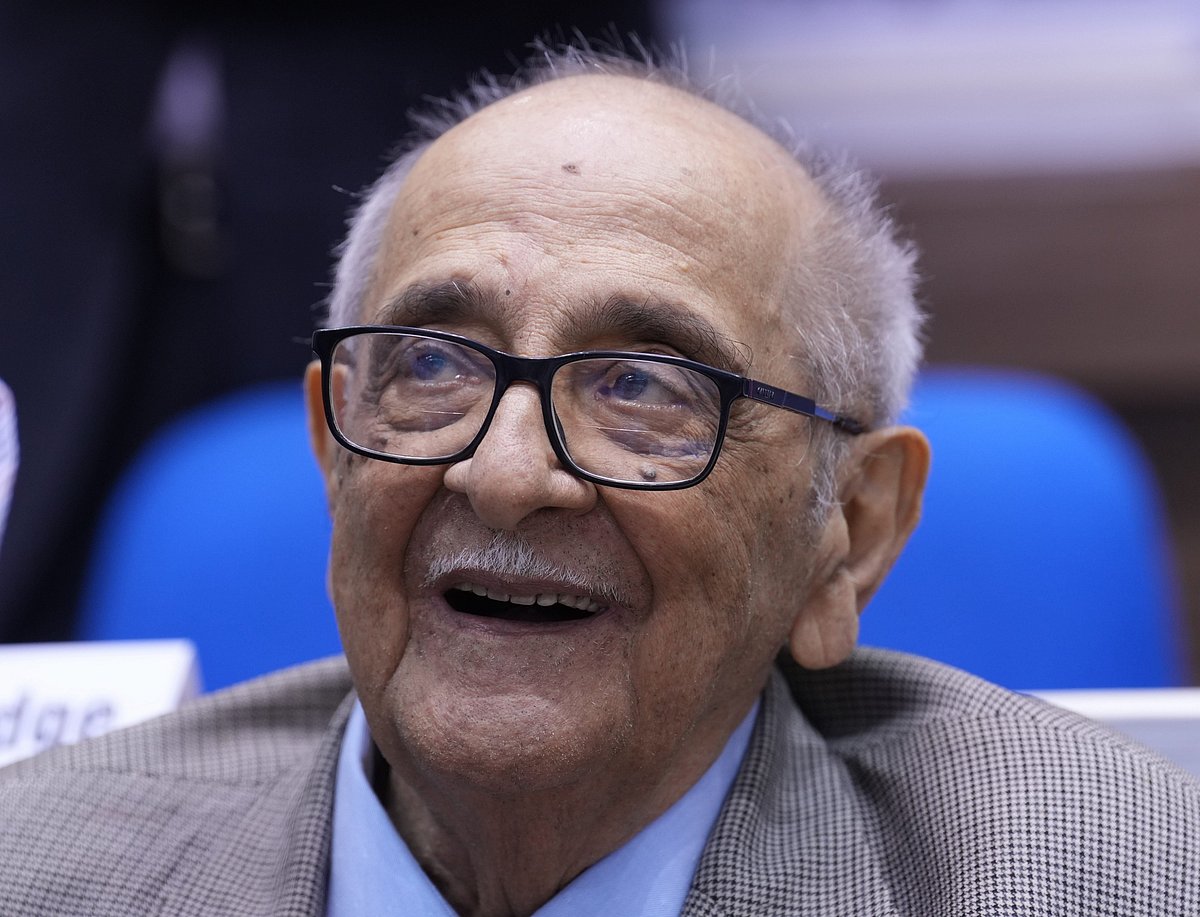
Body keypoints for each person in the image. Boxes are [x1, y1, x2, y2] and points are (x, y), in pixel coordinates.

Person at [2, 40, 1198, 917]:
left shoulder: (1107, 878)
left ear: (852, 523)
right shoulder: (36, 868)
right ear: (333, 445)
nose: (505, 472)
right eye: (432, 363)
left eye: (642, 385)